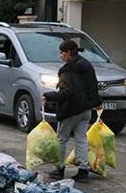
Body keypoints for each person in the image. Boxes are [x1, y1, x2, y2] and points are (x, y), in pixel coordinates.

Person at [43, 39, 102, 181]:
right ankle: (83, 170)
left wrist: (48, 96)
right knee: (81, 138)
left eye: (62, 52)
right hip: (86, 109)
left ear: (69, 52)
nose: (60, 55)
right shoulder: (86, 65)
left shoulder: (68, 70)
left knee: (62, 139)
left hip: (71, 109)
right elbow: (93, 86)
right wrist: (95, 103)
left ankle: (60, 168)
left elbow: (66, 93)